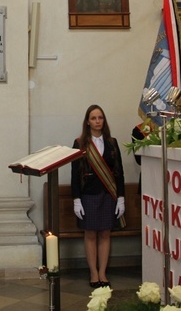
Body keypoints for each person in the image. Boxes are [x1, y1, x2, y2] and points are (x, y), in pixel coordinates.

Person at [71, 104, 125, 288]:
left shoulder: (112, 142)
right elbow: (75, 174)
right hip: (88, 195)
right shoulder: (80, 143)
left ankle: (103, 272)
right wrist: (76, 199)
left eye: (100, 118)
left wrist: (121, 197)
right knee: (90, 234)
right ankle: (93, 273)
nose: (97, 121)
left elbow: (119, 172)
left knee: (105, 233)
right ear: (87, 121)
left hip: (108, 194)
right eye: (93, 118)